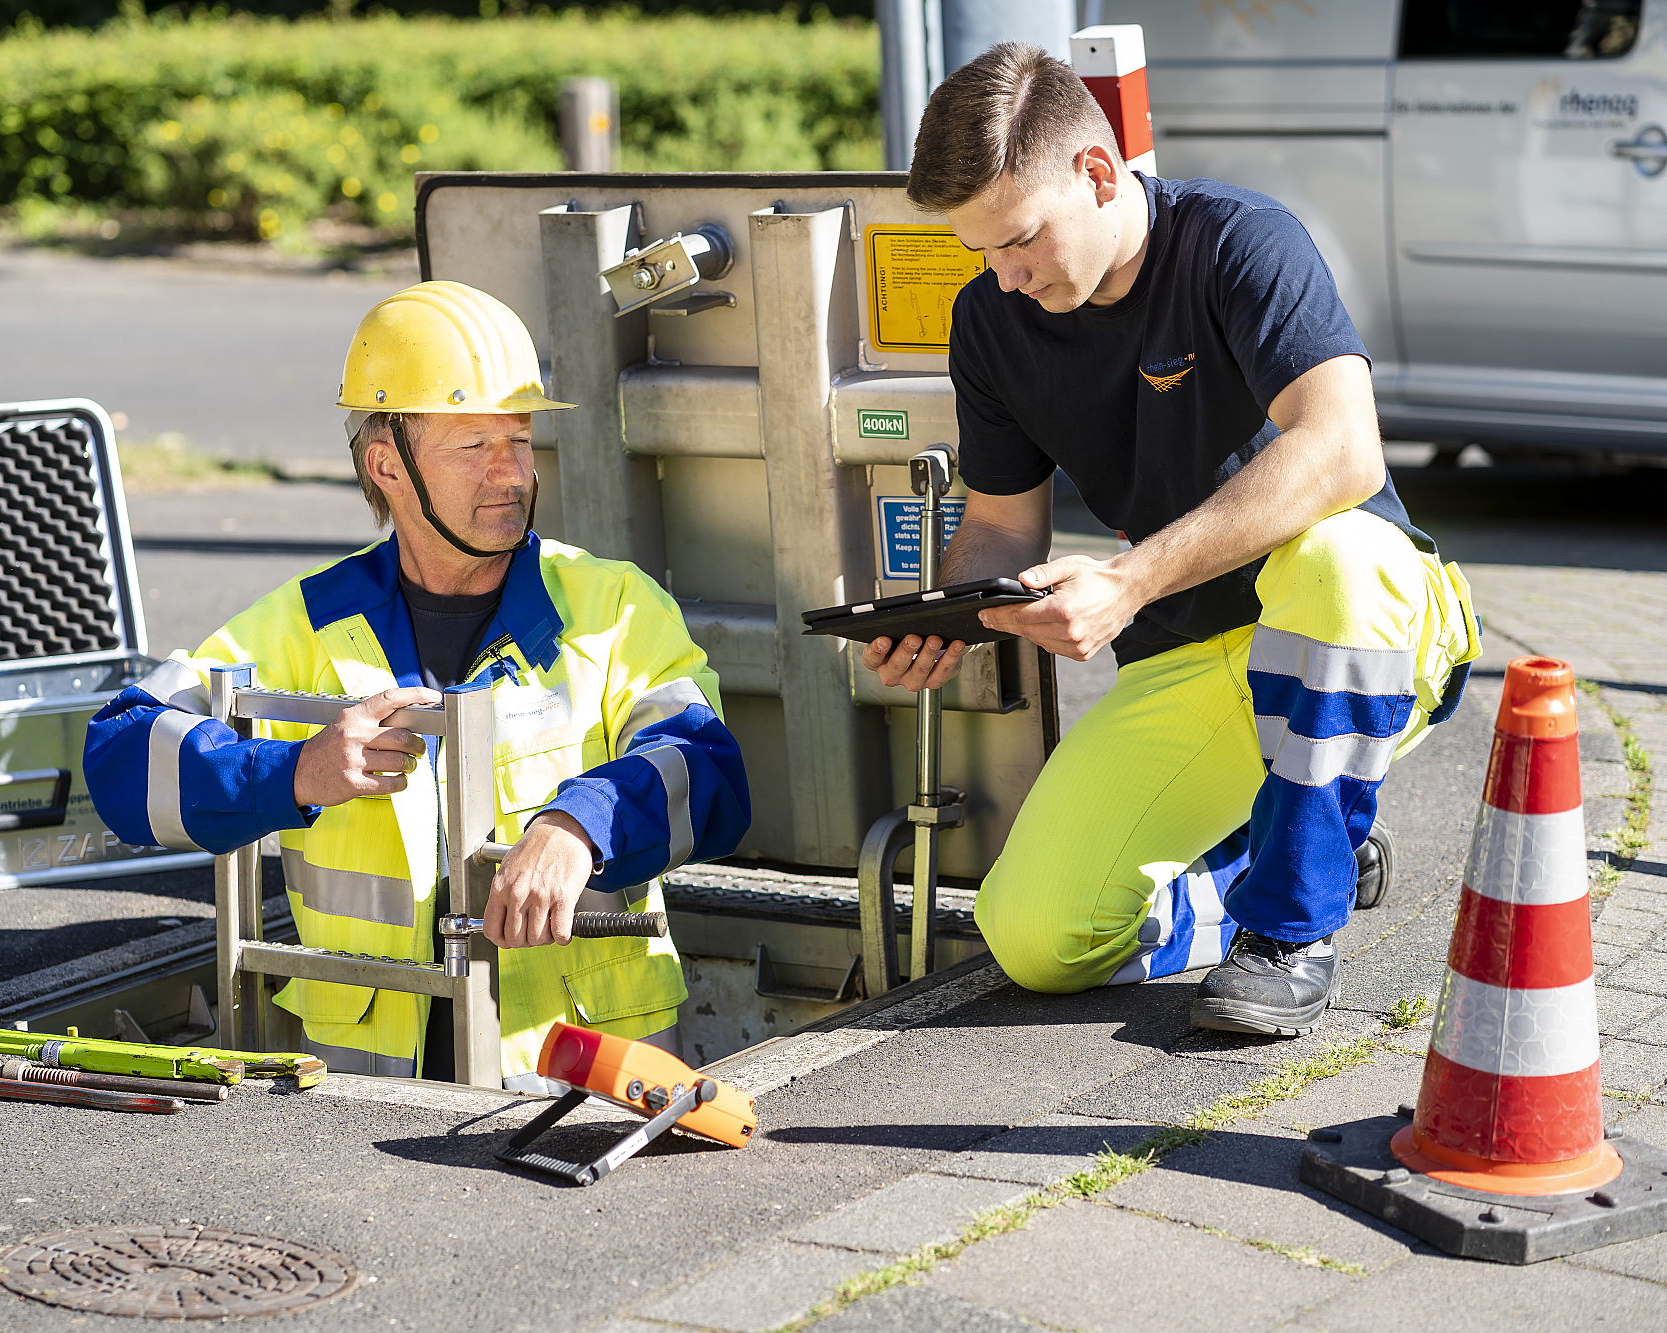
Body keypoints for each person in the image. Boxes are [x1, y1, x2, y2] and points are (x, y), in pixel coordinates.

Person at [863, 44, 1481, 1035]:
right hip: (1191, 660)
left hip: (1370, 629)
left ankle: (1287, 929)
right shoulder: (986, 322)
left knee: (1337, 555)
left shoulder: (1240, 242)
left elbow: (1343, 450)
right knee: (1033, 938)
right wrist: (955, 614)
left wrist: (1127, 580)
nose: (1005, 276)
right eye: (980, 253)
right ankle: (1294, 835)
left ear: (1098, 175)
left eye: (1018, 240)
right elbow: (996, 524)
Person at [85, 280, 751, 1085]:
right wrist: (295, 772)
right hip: (366, 1096)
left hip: (576, 1083)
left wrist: (581, 822)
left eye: (519, 439)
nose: (512, 473)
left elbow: (708, 768)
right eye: (475, 447)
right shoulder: (305, 622)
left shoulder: (612, 607)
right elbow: (122, 750)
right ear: (385, 463)